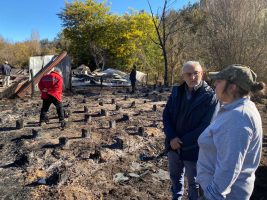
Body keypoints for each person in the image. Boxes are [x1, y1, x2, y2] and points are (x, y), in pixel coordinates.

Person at [196, 65, 264, 200]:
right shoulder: (235, 109)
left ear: (232, 87)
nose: (215, 83)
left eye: (219, 81)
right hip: (218, 190)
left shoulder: (238, 117)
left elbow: (230, 166)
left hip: (222, 194)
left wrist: (211, 195)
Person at [163, 61, 218, 200]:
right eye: (189, 74)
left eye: (196, 73)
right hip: (173, 145)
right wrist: (172, 137)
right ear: (183, 76)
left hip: (194, 147)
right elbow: (166, 114)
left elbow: (206, 125)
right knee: (175, 178)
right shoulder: (176, 91)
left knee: (195, 183)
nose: (193, 77)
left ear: (202, 74)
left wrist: (180, 142)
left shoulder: (210, 96)